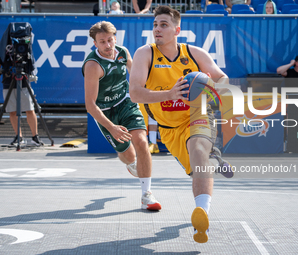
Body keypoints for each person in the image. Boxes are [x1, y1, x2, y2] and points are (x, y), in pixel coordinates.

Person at [129, 5, 232, 243]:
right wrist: (170, 94)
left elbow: (222, 78)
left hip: (198, 114)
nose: (157, 29)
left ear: (177, 30)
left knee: (198, 151)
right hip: (169, 128)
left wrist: (212, 89)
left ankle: (202, 214)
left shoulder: (195, 53)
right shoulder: (145, 54)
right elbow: (135, 93)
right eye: (155, 25)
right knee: (196, 167)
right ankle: (213, 156)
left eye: (163, 25)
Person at [82, 21, 161, 211]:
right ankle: (131, 163)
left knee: (142, 142)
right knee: (128, 155)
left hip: (126, 102)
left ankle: (147, 195)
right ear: (95, 44)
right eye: (102, 42)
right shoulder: (93, 66)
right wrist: (111, 127)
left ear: (115, 38)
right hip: (105, 112)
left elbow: (137, 78)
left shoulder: (123, 52)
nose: (108, 45)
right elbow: (90, 105)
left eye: (110, 40)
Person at [0, 62, 44, 147]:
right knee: (12, 111)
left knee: (30, 109)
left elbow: (30, 59)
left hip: (23, 80)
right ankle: (19, 137)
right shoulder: (3, 48)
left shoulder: (25, 48)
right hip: (7, 80)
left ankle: (35, 136)